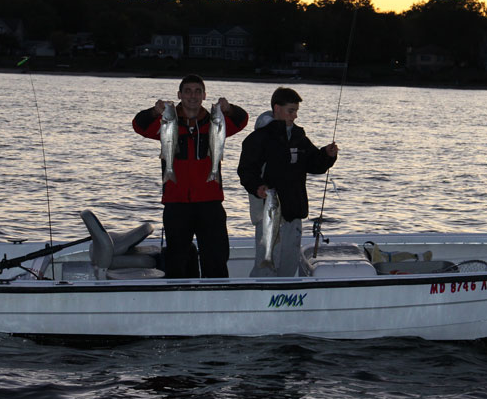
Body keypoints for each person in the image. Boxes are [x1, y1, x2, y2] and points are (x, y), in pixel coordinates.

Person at [132, 74, 248, 278]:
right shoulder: (167, 122)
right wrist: (154, 112)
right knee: (177, 260)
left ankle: (216, 300)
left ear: (204, 95)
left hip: (210, 202)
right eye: (187, 91)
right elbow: (139, 126)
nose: (192, 96)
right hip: (176, 203)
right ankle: (179, 302)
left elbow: (241, 121)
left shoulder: (214, 122)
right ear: (179, 94)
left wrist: (229, 109)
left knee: (216, 258)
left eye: (197, 91)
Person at [237, 87, 338, 277]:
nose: (295, 116)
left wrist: (327, 154)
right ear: (277, 109)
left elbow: (314, 164)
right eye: (291, 111)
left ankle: (284, 303)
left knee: (288, 266)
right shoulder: (258, 138)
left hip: (294, 212)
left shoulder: (299, 138)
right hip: (270, 212)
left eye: (296, 111)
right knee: (266, 265)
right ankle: (259, 300)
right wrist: (257, 187)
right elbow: (245, 171)